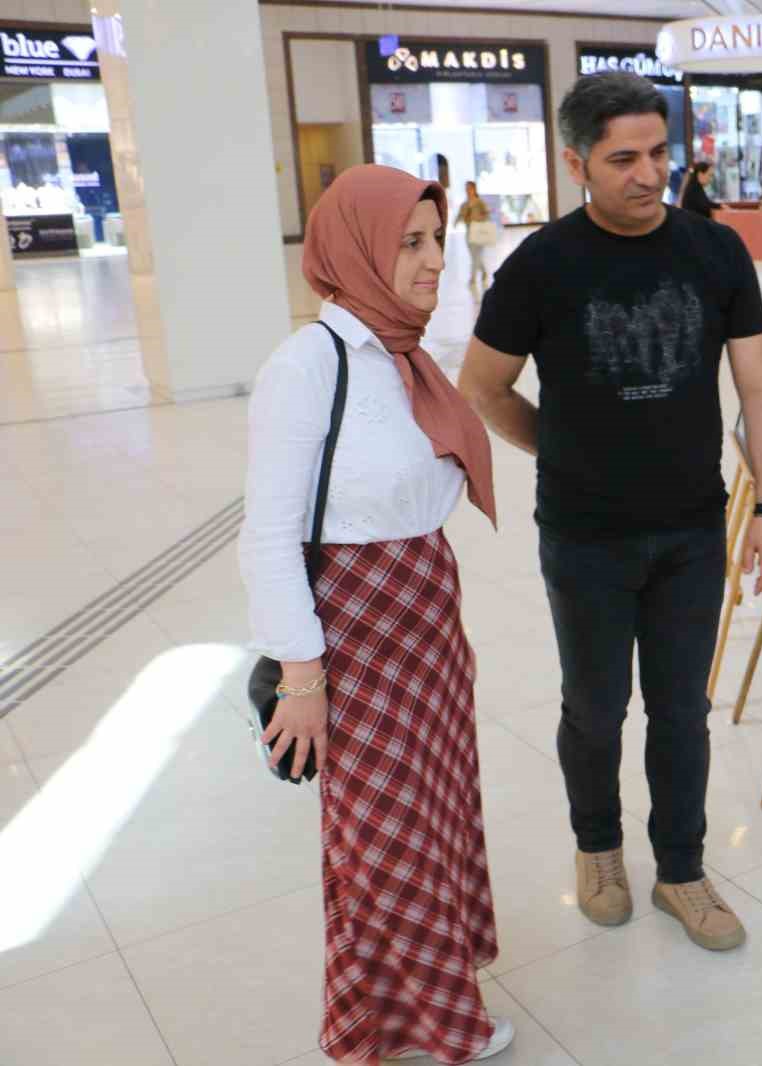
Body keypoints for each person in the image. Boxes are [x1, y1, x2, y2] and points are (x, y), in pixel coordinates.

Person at [458, 71, 762, 953]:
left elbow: (759, 383)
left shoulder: (714, 252)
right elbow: (483, 388)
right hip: (584, 534)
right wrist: (560, 448)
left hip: (692, 528)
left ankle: (681, 869)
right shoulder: (541, 265)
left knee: (683, 707)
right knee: (595, 707)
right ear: (576, 163)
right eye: (623, 159)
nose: (649, 174)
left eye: (658, 153)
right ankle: (597, 848)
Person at [238, 165, 512, 1065]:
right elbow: (269, 537)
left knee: (431, 815)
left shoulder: (402, 355)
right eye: (412, 243)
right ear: (357, 249)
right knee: (379, 836)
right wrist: (304, 681)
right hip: (353, 632)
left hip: (424, 620)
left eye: (438, 240)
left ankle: (380, 1013)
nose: (437, 262)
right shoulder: (309, 365)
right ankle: (442, 1022)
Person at [455, 179, 495, 292]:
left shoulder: (479, 202)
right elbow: (460, 215)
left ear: (474, 189)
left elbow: (487, 213)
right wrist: (456, 222)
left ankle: (472, 278)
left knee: (476, 255)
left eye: (469, 188)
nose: (468, 191)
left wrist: (482, 219)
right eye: (466, 189)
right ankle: (484, 272)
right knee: (474, 255)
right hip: (469, 231)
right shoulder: (465, 204)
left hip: (479, 230)